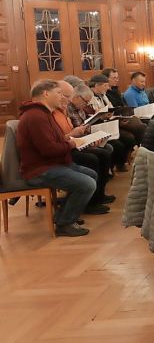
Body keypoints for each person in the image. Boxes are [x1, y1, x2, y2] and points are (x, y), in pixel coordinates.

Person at [18, 80, 97, 237]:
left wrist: (70, 140)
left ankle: (63, 215)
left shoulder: (44, 113)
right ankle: (64, 223)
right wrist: (73, 144)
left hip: (53, 163)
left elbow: (56, 140)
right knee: (87, 184)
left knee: (91, 174)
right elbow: (48, 149)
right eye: (59, 93)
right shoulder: (35, 116)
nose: (62, 98)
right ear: (46, 94)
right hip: (39, 170)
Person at [54, 81, 114, 214]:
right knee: (93, 158)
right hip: (64, 151)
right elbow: (57, 140)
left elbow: (69, 132)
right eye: (64, 95)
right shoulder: (53, 113)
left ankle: (98, 196)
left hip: (71, 145)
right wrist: (74, 136)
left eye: (67, 96)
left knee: (104, 152)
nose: (66, 100)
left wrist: (81, 137)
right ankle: (91, 202)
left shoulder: (61, 110)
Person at [69, 84, 131, 173]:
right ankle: (102, 177)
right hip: (78, 141)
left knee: (112, 145)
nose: (86, 104)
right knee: (106, 150)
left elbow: (86, 122)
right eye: (86, 101)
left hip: (86, 136)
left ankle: (107, 172)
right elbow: (74, 130)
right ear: (78, 97)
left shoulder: (81, 108)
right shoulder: (68, 109)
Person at [90, 73, 145, 147]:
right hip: (101, 126)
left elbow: (111, 109)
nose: (108, 88)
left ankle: (140, 150)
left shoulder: (103, 95)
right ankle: (135, 153)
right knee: (129, 137)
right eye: (105, 85)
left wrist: (118, 117)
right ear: (96, 85)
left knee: (139, 125)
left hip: (110, 121)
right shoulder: (89, 98)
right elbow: (93, 117)